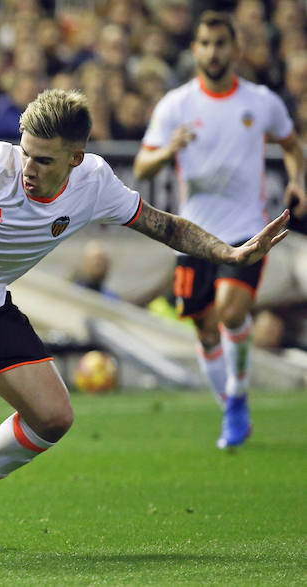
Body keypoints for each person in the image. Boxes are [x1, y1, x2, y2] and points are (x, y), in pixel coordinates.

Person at [0, 91, 289, 553]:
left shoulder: (95, 185)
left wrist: (229, 253)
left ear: (76, 158)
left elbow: (164, 226)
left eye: (44, 160)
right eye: (26, 152)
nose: (28, 167)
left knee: (53, 418)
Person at [133, 11, 306, 449]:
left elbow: (291, 146)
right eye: (205, 44)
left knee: (231, 311)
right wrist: (169, 148)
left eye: (221, 43)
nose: (213, 52)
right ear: (195, 50)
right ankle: (230, 403)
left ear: (235, 48)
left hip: (246, 228)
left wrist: (296, 179)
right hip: (192, 233)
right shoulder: (176, 104)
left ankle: (238, 400)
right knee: (206, 329)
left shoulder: (260, 101)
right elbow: (142, 164)